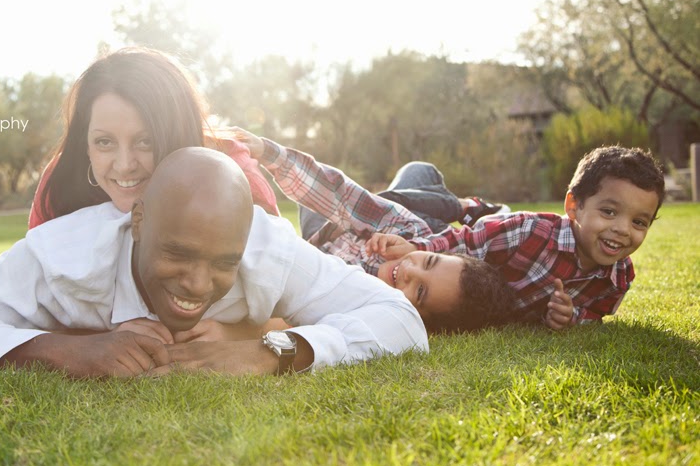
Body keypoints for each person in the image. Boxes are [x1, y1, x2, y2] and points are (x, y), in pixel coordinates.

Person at [0, 147, 428, 378]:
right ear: (139, 222)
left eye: (223, 263)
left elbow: (401, 321)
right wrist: (60, 351)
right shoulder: (61, 254)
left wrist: (274, 351)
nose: (198, 283)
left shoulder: (268, 247)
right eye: (178, 254)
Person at [233, 128, 516, 334]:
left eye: (419, 291)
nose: (409, 271)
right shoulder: (409, 234)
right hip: (413, 226)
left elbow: (285, 318)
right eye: (428, 261)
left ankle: (446, 206)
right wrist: (267, 152)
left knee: (394, 192)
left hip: (321, 237)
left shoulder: (365, 305)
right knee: (418, 170)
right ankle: (463, 207)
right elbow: (342, 197)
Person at [366, 145, 666, 329]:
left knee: (419, 171)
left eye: (639, 221)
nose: (623, 230)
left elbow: (594, 315)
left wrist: (571, 316)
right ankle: (466, 207)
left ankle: (469, 206)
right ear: (574, 207)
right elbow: (465, 242)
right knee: (400, 189)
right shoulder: (529, 231)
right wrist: (417, 247)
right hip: (449, 249)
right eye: (610, 212)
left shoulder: (619, 277)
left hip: (480, 295)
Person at [28, 47, 278, 229]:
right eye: (104, 142)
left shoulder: (234, 178)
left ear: (177, 132)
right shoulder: (63, 181)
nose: (125, 165)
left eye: (145, 141)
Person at [299, 161, 509, 239]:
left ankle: (465, 209)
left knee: (417, 170)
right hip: (354, 241)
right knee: (382, 205)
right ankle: (465, 208)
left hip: (333, 231)